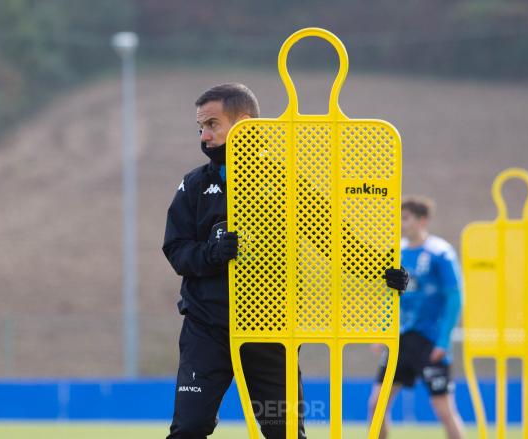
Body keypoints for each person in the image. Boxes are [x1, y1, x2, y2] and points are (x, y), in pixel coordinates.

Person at [163, 83, 409, 438]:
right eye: (200, 127)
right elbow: (175, 249)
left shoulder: (281, 180)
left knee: (286, 432)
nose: (204, 136)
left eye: (213, 124)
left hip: (269, 328)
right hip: (207, 327)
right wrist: (212, 255)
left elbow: (330, 235)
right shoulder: (194, 186)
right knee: (189, 428)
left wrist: (379, 269)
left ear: (245, 123)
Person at [367, 196, 465, 439]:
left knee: (443, 409)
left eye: (405, 218)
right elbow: (389, 297)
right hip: (400, 340)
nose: (400, 223)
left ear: (422, 221)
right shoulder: (395, 252)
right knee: (376, 405)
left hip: (429, 341)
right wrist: (382, 332)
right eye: (398, 218)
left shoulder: (440, 253)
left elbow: (454, 298)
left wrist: (443, 341)